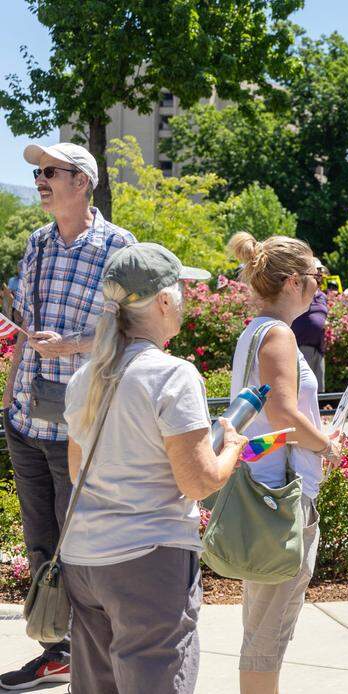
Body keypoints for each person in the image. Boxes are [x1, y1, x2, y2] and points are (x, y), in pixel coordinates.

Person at [60, 244, 247, 694]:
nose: (186, 297)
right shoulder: (172, 375)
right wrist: (233, 447)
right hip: (148, 559)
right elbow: (198, 482)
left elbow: (75, 470)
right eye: (181, 288)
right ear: (163, 300)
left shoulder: (86, 376)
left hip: (84, 558)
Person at [1, 142, 137, 690]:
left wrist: (73, 345)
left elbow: (132, 331)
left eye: (49, 172)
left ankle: (88, 653)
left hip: (76, 428)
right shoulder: (37, 242)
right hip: (26, 420)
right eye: (36, 172)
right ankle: (57, 646)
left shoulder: (119, 247)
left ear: (81, 181)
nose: (39, 179)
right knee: (40, 542)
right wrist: (7, 401)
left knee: (76, 544)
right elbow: (24, 329)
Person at [226, 233, 341, 694]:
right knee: (267, 636)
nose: (320, 284)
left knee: (261, 628)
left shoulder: (257, 331)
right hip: (280, 500)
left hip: (265, 492)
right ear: (293, 281)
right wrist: (326, 444)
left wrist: (314, 437)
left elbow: (265, 427)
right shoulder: (276, 334)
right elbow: (285, 418)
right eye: (316, 275)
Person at [291, 283, 328, 393]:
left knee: (319, 389)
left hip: (319, 348)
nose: (318, 276)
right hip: (302, 346)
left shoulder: (322, 296)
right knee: (304, 388)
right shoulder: (299, 294)